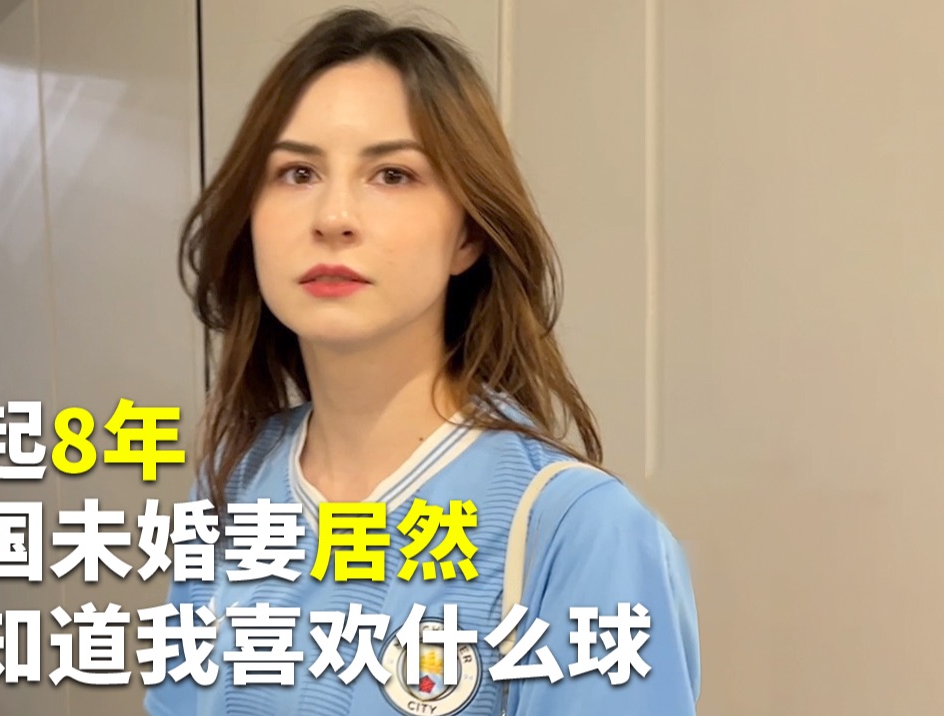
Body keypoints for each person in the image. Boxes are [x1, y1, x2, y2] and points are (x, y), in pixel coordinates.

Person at [145, 8, 700, 715]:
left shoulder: (579, 531)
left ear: (468, 235)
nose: (333, 217)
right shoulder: (229, 490)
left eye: (392, 175)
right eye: (297, 172)